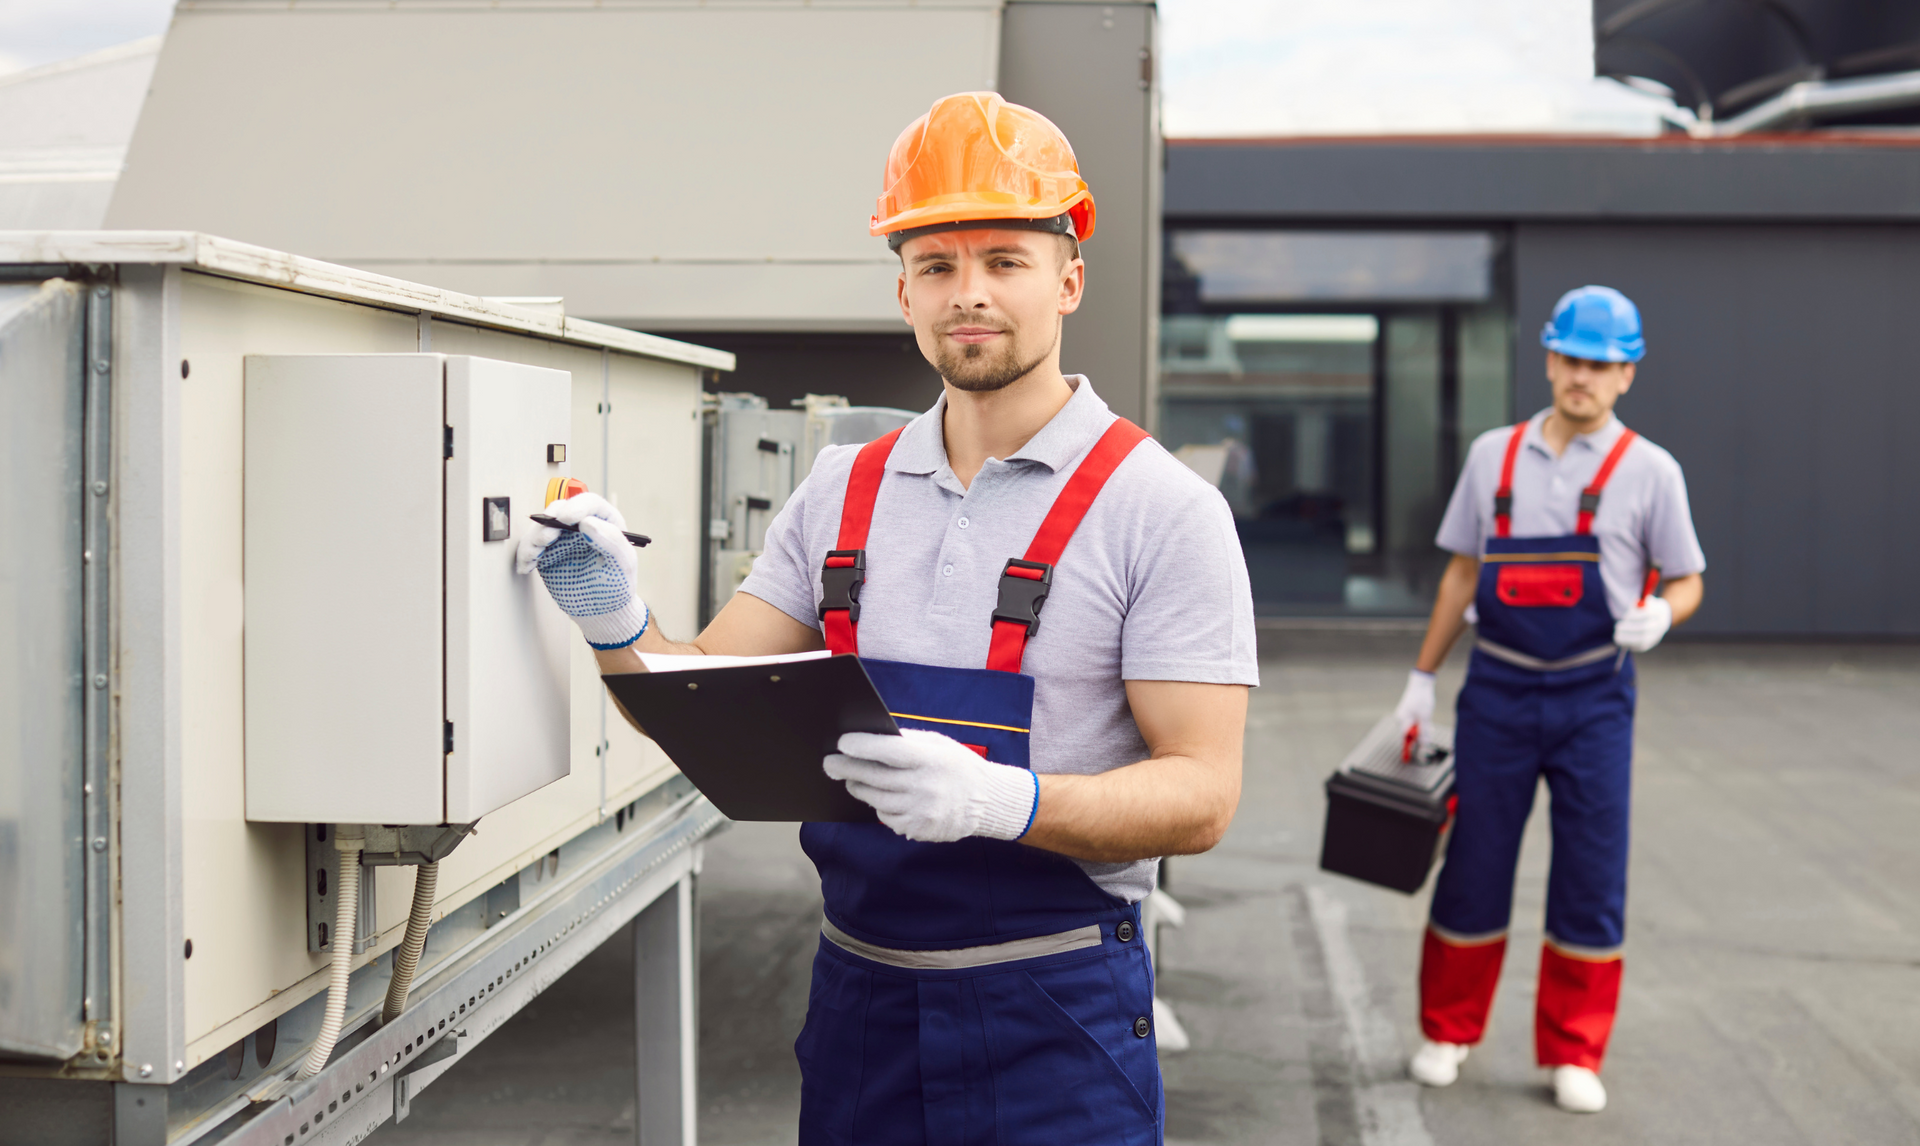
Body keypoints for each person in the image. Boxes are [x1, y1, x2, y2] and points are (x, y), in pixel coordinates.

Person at [518, 91, 1257, 1143]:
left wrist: (1006, 801)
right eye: (938, 264)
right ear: (903, 288)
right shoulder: (839, 492)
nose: (971, 294)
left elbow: (1203, 794)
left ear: (1068, 279)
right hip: (860, 1005)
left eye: (1005, 259)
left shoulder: (1160, 509)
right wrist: (612, 619)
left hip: (1056, 1017)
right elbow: (700, 702)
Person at [1391, 285, 1705, 1114]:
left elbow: (1689, 579)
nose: (1582, 377)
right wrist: (1422, 678)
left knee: (1591, 873)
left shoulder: (1652, 472)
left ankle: (1574, 1049)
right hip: (1495, 690)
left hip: (1594, 698)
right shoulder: (1493, 455)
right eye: (1570, 359)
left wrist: (1660, 614)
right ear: (1549, 359)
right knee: (1475, 862)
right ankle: (1447, 1031)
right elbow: (1462, 572)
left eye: (1600, 365)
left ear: (1627, 374)